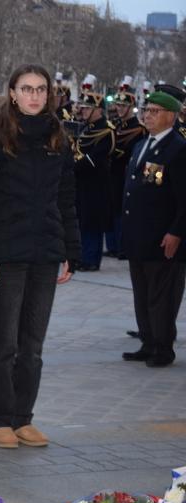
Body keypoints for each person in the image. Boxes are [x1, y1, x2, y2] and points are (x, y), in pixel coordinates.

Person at [0, 64, 80, 449]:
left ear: (49, 95)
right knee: (4, 343)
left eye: (41, 89)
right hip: (7, 255)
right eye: (26, 89)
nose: (34, 96)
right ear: (12, 93)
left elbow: (66, 200)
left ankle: (23, 417)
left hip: (45, 254)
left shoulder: (58, 140)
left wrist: (71, 251)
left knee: (32, 344)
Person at [120, 90, 186, 368]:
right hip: (139, 235)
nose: (147, 115)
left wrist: (176, 232)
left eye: (155, 111)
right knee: (142, 293)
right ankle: (147, 342)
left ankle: (163, 346)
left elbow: (184, 197)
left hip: (163, 236)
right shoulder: (141, 144)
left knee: (162, 296)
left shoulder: (178, 148)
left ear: (171, 116)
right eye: (147, 110)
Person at [73, 75, 114, 272]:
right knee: (82, 220)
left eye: (88, 108)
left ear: (98, 110)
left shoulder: (106, 131)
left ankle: (91, 259)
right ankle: (82, 257)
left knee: (92, 223)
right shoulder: (85, 128)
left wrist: (72, 166)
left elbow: (94, 158)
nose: (84, 111)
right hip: (81, 183)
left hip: (96, 183)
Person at [105, 78, 145, 260]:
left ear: (131, 107)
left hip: (126, 174)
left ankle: (123, 246)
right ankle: (113, 245)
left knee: (123, 211)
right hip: (112, 174)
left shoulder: (138, 129)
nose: (119, 108)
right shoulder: (117, 126)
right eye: (118, 105)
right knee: (112, 209)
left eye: (123, 106)